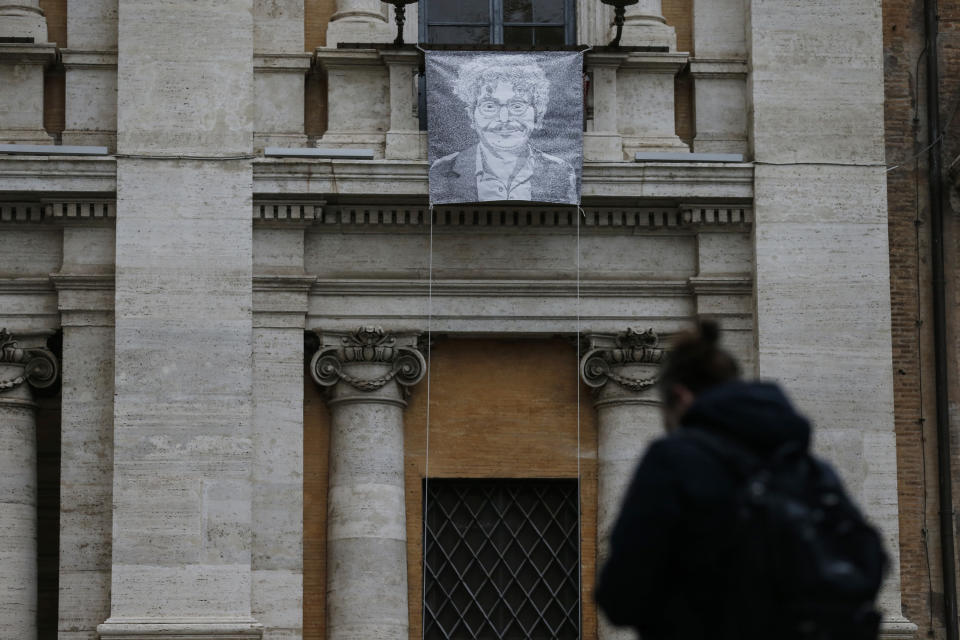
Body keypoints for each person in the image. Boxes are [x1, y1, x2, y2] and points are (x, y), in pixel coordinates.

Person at [595, 320, 886, 640]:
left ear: (680, 396)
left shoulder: (674, 459)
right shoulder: (809, 467)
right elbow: (870, 562)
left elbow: (620, 597)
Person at [429, 57, 577, 204]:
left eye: (517, 106)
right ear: (471, 116)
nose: (504, 119)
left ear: (537, 113)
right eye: (489, 106)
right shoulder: (443, 170)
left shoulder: (561, 173)